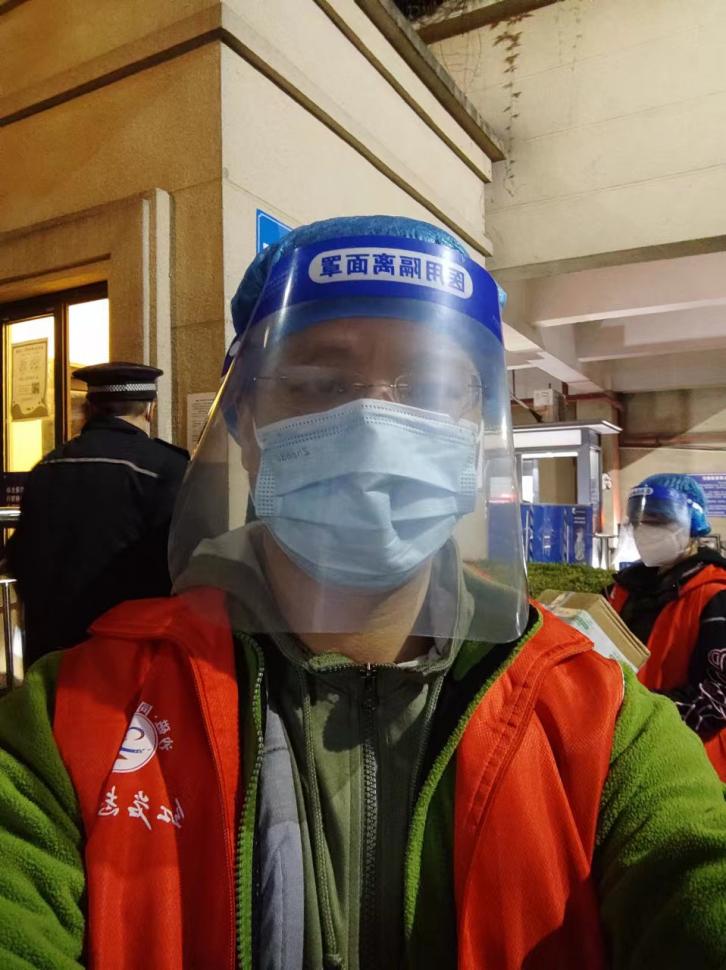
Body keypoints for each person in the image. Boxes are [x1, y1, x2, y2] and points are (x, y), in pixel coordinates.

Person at [1, 216, 726, 970]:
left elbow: (692, 875)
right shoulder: (77, 720)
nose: (377, 425)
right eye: (320, 384)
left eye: (431, 387)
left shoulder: (599, 723)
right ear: (243, 418)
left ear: (473, 427)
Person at [6, 362, 189, 667]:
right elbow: (181, 567)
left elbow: (20, 556)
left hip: (51, 657)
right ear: (150, 409)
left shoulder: (46, 467)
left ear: (91, 407)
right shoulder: (166, 468)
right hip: (130, 658)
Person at [610, 473, 726, 779]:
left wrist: (642, 715)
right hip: (626, 753)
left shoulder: (715, 595)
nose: (644, 531)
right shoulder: (624, 590)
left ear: (693, 523)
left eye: (658, 521)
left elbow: (718, 697)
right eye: (638, 522)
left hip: (690, 766)